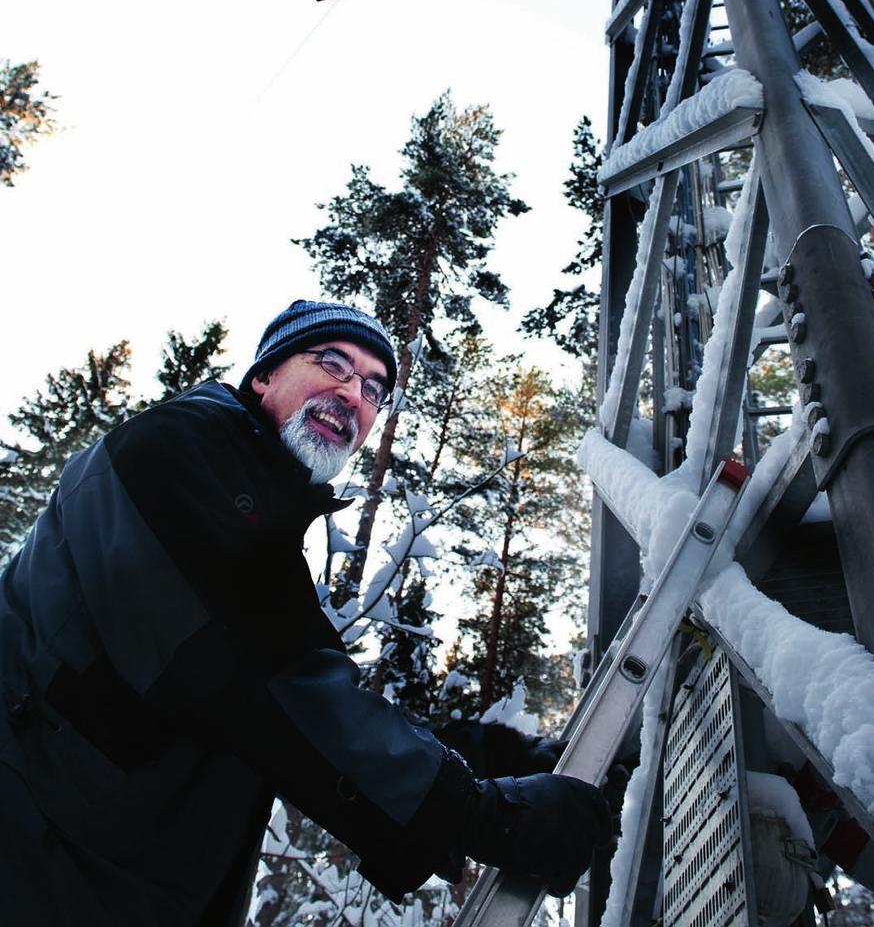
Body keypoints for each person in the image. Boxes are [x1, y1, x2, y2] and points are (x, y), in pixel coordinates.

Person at [0, 299, 612, 925]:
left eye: (376, 389)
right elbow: (265, 682)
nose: (354, 396)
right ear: (263, 376)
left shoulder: (256, 530)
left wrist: (493, 756)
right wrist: (477, 815)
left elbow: (300, 694)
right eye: (333, 364)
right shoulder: (174, 449)